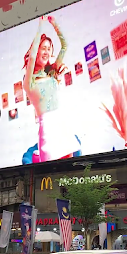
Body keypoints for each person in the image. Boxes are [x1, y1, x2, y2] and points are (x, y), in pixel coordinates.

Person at [23, 15, 81, 162]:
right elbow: (30, 59)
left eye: (49, 49)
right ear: (35, 50)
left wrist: (54, 24)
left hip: (62, 124)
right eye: (43, 48)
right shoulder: (29, 82)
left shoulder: (51, 72)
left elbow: (65, 45)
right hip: (48, 131)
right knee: (53, 176)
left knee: (69, 173)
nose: (47, 52)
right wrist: (41, 26)